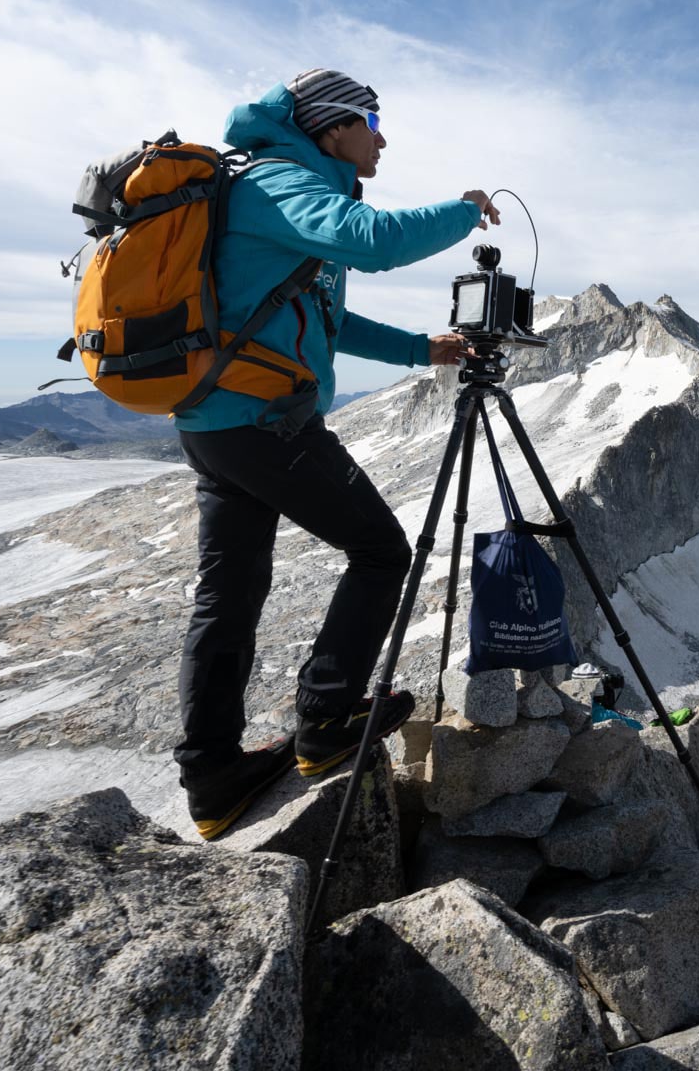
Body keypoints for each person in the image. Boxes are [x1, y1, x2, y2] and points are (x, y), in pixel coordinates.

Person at [171, 68, 500, 839]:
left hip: (220, 421)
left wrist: (424, 349)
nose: (381, 138)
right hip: (263, 423)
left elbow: (327, 320)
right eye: (371, 122)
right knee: (382, 551)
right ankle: (325, 722)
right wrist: (465, 209)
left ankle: (213, 778)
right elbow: (375, 243)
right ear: (331, 129)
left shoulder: (275, 190)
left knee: (230, 589)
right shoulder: (278, 183)